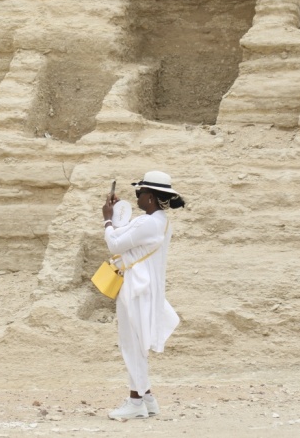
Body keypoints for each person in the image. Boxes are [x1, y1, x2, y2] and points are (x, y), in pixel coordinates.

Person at [101, 170, 185, 420]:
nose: (136, 197)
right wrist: (116, 216)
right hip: (143, 289)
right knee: (135, 343)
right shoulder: (157, 221)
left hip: (136, 290)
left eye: (139, 193)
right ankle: (147, 398)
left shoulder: (149, 223)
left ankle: (135, 401)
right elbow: (123, 235)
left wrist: (106, 220)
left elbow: (115, 244)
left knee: (132, 345)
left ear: (149, 197)